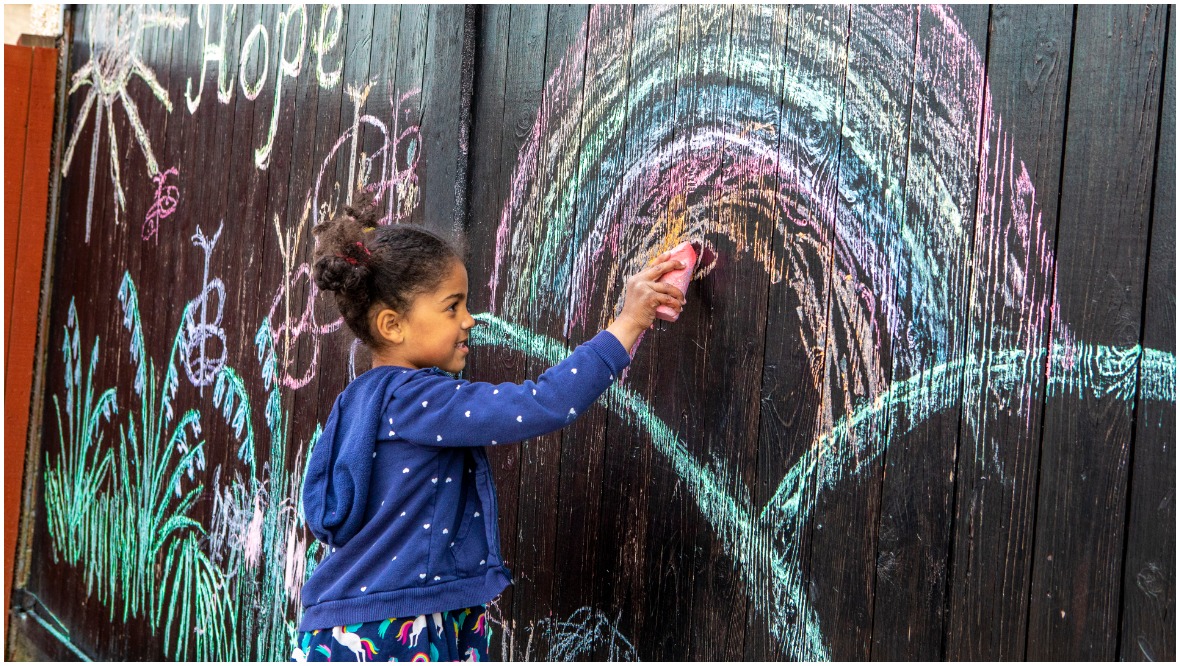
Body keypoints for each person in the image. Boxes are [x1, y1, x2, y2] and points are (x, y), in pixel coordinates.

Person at [294, 196, 686, 662]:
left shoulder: (359, 401)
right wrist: (627, 323)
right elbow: (545, 403)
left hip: (358, 619)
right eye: (452, 307)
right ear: (392, 325)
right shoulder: (419, 399)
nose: (469, 320)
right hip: (394, 628)